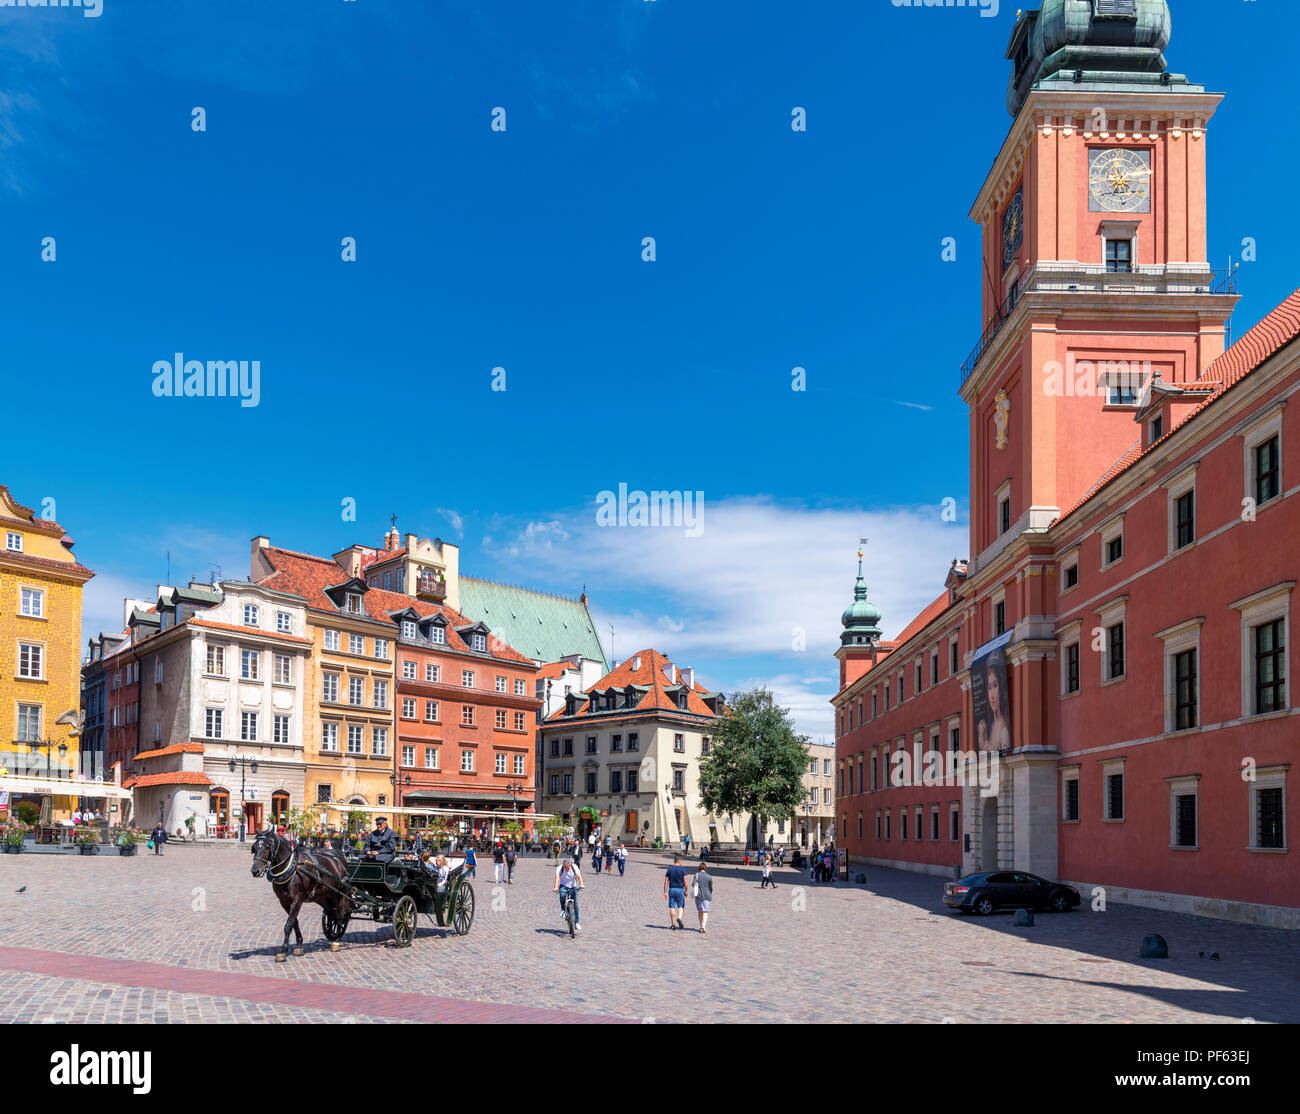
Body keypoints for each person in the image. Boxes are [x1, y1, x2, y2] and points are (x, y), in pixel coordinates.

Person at [552, 856, 584, 932]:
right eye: (565, 868)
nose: (567, 869)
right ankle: (563, 910)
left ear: (570, 865)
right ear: (563, 866)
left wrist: (581, 884)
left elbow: (579, 876)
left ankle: (576, 922)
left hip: (573, 886)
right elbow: (557, 878)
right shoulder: (560, 868)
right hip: (563, 885)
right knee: (562, 895)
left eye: (568, 867)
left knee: (575, 904)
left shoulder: (574, 867)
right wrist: (556, 887)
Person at [664, 854, 688, 930]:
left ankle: (673, 924)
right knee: (681, 906)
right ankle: (680, 917)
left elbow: (666, 882)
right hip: (680, 889)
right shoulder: (682, 870)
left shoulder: (670, 869)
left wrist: (665, 892)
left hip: (672, 889)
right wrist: (686, 890)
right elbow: (685, 881)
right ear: (679, 861)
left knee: (672, 906)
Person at [693, 861, 714, 933]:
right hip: (707, 895)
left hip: (698, 895)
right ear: (705, 868)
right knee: (705, 911)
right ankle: (703, 927)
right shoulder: (709, 876)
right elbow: (711, 887)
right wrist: (710, 892)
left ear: (699, 868)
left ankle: (700, 926)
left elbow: (693, 884)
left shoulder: (696, 875)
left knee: (700, 911)